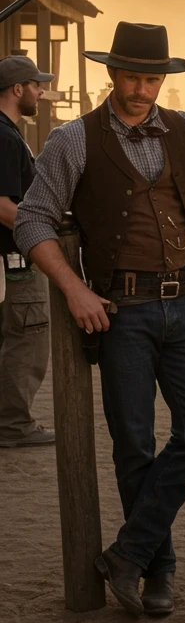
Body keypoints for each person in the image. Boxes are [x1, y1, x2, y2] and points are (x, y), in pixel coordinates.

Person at [15, 21, 185, 616]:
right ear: (112, 73)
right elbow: (32, 220)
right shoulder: (72, 141)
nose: (140, 88)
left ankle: (127, 553)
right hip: (119, 311)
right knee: (132, 444)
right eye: (131, 76)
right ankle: (158, 571)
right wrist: (75, 289)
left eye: (152, 78)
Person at [0, 56, 56, 448]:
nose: (41, 92)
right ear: (17, 89)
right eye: (35, 85)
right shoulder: (4, 136)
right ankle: (14, 426)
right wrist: (41, 233)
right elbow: (1, 204)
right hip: (14, 259)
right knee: (26, 339)